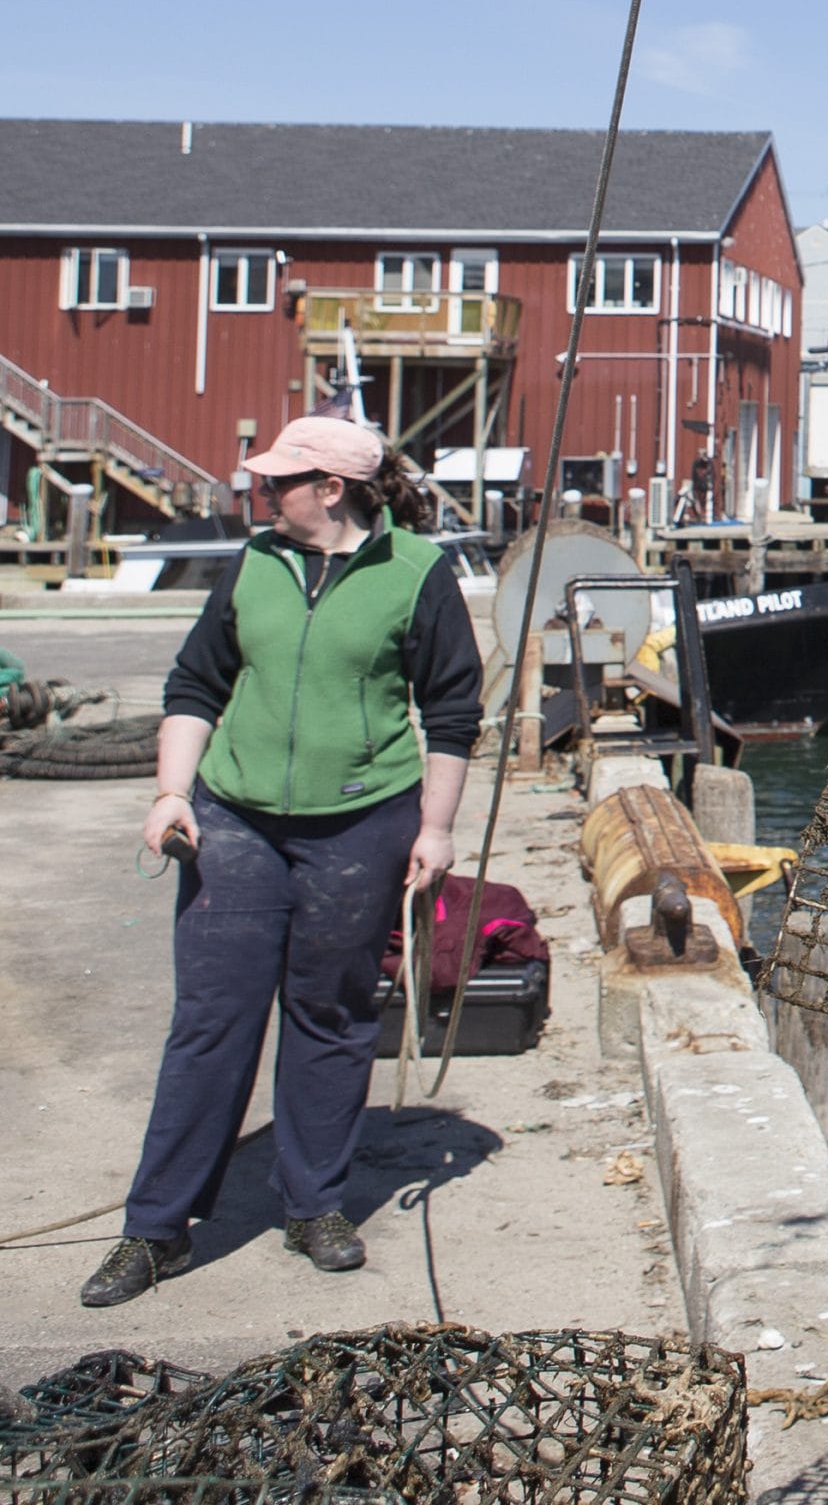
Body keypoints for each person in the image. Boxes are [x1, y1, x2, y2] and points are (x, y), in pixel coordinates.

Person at [79, 416, 483, 1308]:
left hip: (361, 823)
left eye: (278, 482)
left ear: (330, 489)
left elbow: (451, 711)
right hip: (234, 817)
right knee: (212, 1021)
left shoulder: (417, 573)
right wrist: (171, 794)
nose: (264, 494)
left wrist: (436, 829)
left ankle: (314, 1206)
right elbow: (195, 683)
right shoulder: (254, 563)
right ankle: (154, 1231)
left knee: (330, 1014)